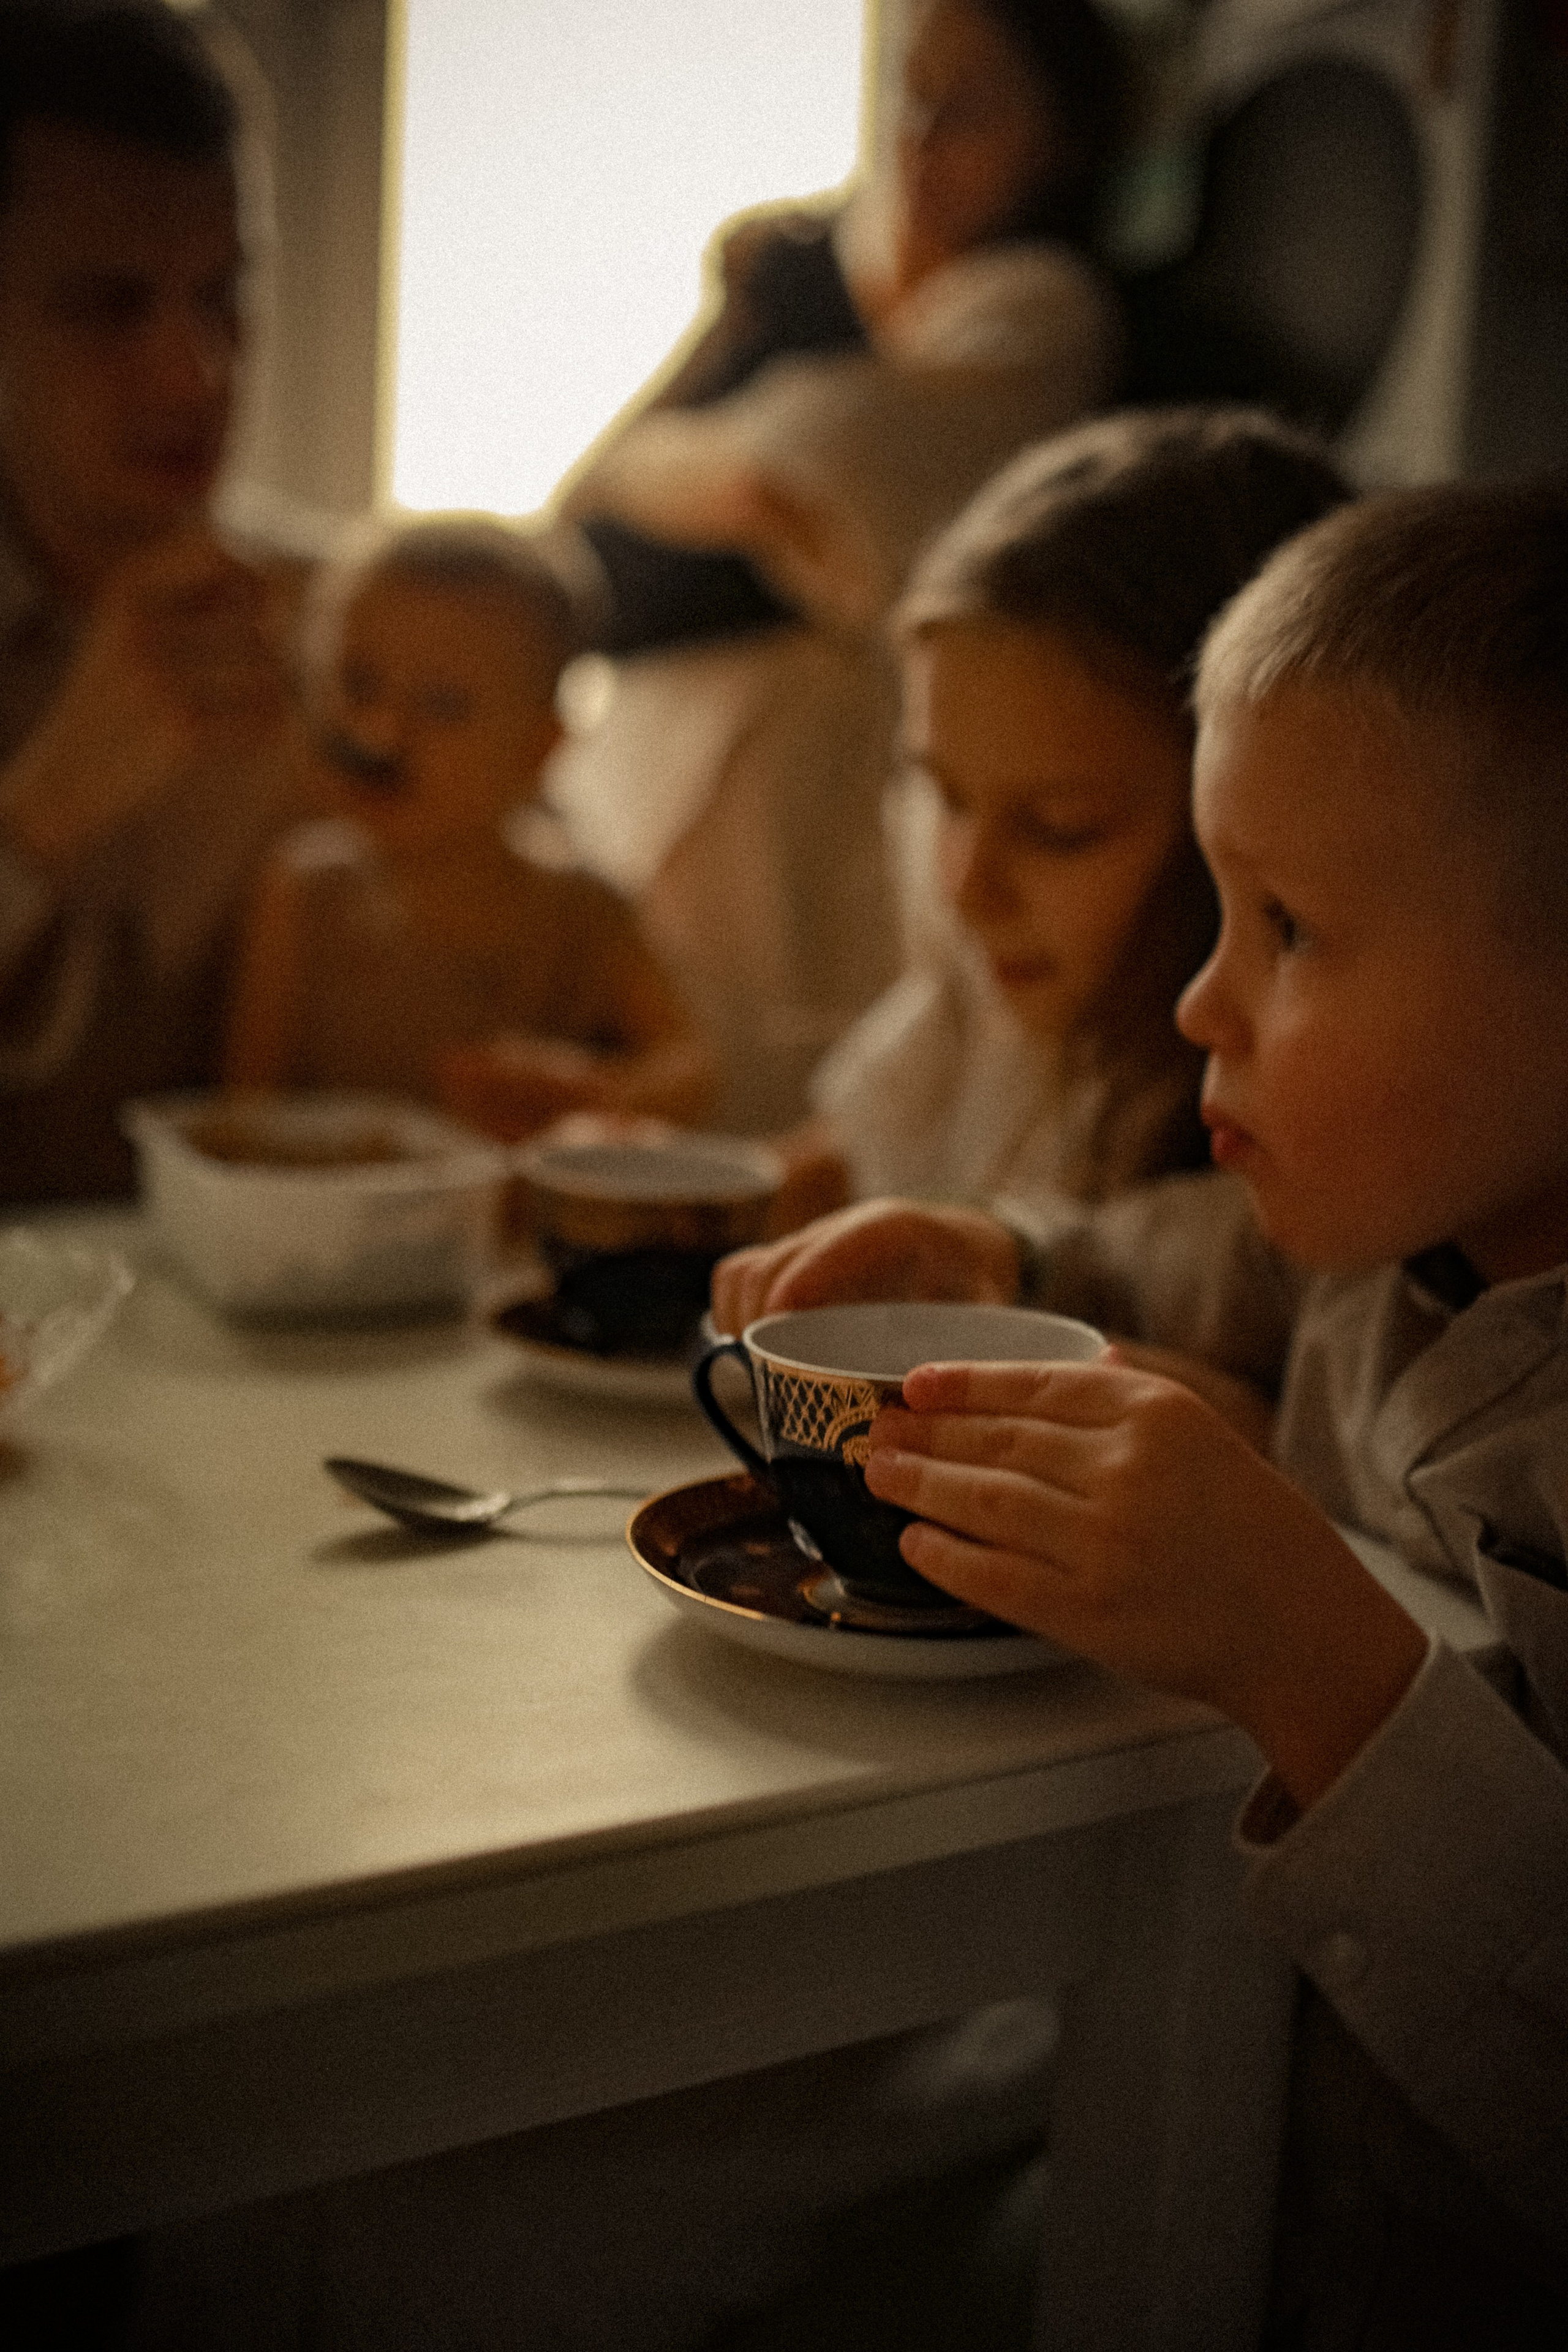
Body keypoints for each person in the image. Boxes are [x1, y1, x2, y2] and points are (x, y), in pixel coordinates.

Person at [734, 483, 1568, 2342]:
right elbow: (1175, 1262)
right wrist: (997, 1247)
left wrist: (1312, 1653)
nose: (1200, 1000)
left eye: (1288, 929)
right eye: (1215, 904)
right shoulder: (1376, 1236)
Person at [545, 0, 1130, 1131]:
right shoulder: (831, 297)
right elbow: (589, 498)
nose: (918, 138)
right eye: (908, 94)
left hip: (804, 815)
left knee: (740, 1117)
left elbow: (779, 474)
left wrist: (695, 453)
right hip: (664, 759)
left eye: (970, 111)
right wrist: (730, 331)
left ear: (1060, 138)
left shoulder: (1037, 313)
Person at [771, 404, 1351, 1231]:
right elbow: (828, 1168)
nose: (968, 886)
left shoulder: (1272, 1174)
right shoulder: (984, 996)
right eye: (946, 796)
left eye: (1061, 827)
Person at [0, 0, 317, 1202]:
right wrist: (42, 811)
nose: (195, 372)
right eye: (108, 305)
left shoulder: (334, 624)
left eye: (224, 293)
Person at [224, 513, 714, 1135]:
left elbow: (691, 1069)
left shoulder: (580, 910)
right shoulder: (304, 892)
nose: (382, 733)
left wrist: (595, 1091)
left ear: (539, 749)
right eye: (358, 684)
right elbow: (247, 1118)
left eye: (444, 707)